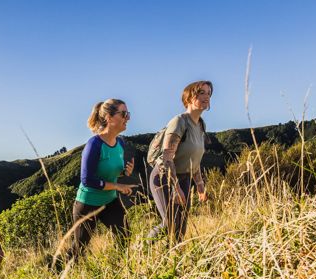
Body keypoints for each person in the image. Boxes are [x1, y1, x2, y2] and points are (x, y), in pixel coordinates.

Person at [71, 98, 137, 256]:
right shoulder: (94, 144)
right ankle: (59, 275)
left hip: (109, 201)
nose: (128, 118)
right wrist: (117, 186)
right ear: (108, 117)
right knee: (79, 250)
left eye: (127, 113)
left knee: (125, 237)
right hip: (87, 204)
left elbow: (109, 171)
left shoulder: (119, 143)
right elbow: (87, 180)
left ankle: (119, 273)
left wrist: (124, 173)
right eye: (123, 114)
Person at [148, 81, 212, 243]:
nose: (207, 97)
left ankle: (173, 261)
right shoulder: (179, 122)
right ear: (189, 97)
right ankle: (144, 246)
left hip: (184, 178)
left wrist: (199, 185)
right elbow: (167, 158)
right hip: (164, 178)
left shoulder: (201, 125)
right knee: (170, 224)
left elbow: (194, 159)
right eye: (202, 93)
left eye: (209, 93)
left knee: (180, 228)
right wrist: (175, 188)